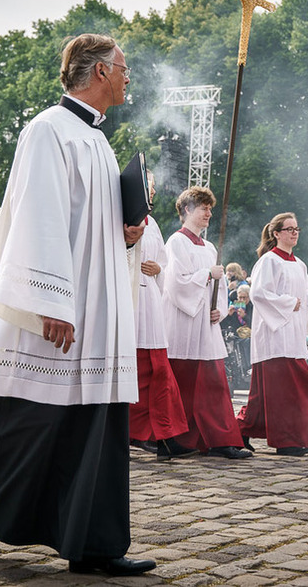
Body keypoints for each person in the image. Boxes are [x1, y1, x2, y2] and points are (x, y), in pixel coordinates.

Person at [0, 34, 154, 577]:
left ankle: (93, 542)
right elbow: (38, 218)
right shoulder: (47, 130)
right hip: (61, 307)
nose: (129, 77)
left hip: (98, 307)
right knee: (29, 416)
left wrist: (127, 235)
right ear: (99, 71)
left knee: (94, 425)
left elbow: (91, 227)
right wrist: (49, 303)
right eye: (124, 68)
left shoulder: (97, 141)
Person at [162, 186, 251, 460]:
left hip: (207, 324)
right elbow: (175, 284)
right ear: (187, 210)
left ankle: (221, 439)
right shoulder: (176, 242)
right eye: (204, 208)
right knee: (185, 383)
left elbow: (222, 289)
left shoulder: (210, 247)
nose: (209, 214)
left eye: (211, 209)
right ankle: (181, 439)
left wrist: (220, 311)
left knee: (214, 381)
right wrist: (206, 274)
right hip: (184, 324)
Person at [237, 212, 308, 456]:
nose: (294, 232)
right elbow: (259, 294)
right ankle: (287, 440)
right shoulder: (269, 261)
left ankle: (240, 430)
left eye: (296, 228)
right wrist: (291, 303)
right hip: (274, 334)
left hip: (293, 334)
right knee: (283, 389)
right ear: (276, 233)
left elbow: (302, 298)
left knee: (264, 394)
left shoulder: (300, 264)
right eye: (289, 229)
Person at [129, 173, 194, 461]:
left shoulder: (152, 223)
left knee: (158, 372)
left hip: (150, 301)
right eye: (148, 188)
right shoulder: (119, 216)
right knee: (137, 372)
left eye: (153, 189)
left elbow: (164, 266)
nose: (152, 193)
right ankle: (135, 433)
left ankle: (165, 436)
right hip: (129, 301)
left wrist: (159, 271)